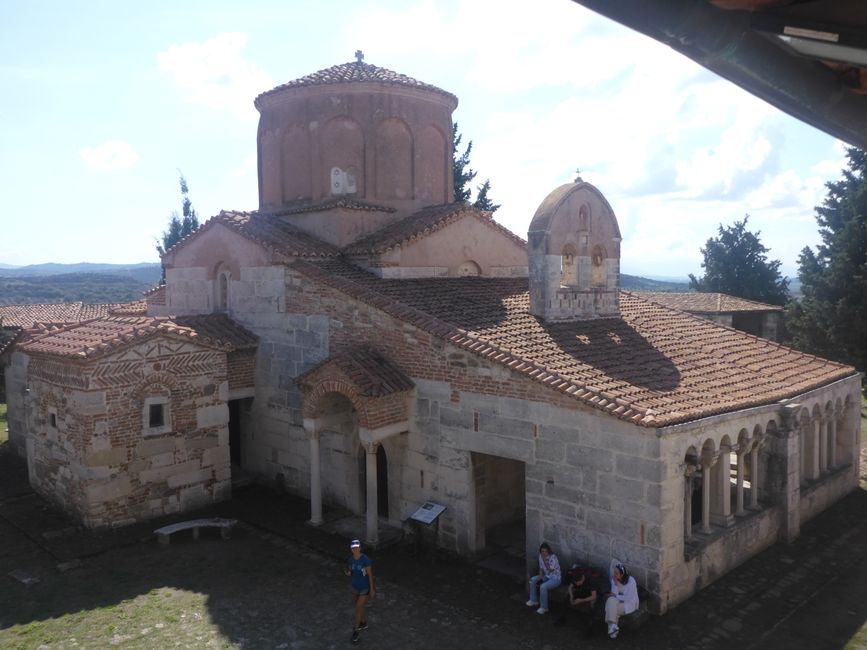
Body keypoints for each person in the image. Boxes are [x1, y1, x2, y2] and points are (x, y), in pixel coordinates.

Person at [344, 539, 375, 643]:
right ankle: (363, 622)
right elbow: (351, 571)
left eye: (357, 547)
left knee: (358, 608)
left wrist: (372, 589)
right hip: (354, 587)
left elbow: (370, 575)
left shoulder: (365, 559)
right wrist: (349, 573)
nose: (355, 549)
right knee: (359, 607)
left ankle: (355, 631)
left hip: (364, 588)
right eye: (353, 547)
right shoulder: (350, 560)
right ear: (351, 549)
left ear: (360, 548)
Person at [604, 562, 638, 639]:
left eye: (616, 573)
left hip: (628, 603)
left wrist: (615, 595)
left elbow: (628, 597)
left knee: (610, 608)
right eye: (614, 572)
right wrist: (615, 584)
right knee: (610, 600)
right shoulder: (614, 580)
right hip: (618, 600)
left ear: (622, 574)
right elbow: (613, 593)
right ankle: (613, 627)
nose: (614, 574)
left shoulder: (631, 581)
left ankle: (612, 629)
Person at [526, 542, 561, 614]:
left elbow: (550, 570)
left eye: (546, 551)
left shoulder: (553, 557)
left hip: (555, 578)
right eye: (542, 551)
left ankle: (544, 607)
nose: (544, 553)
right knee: (532, 580)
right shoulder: (540, 556)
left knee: (543, 587)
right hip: (546, 576)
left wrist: (545, 561)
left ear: (549, 551)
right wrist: (540, 578)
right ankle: (533, 600)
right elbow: (541, 568)